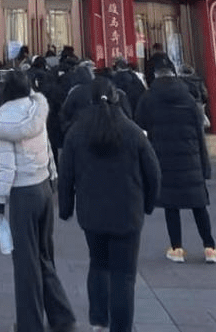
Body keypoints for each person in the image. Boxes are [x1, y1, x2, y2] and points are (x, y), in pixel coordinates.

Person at [59, 77, 161, 332]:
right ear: (117, 98)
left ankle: (98, 321)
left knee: (98, 264)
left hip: (91, 213)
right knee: (124, 276)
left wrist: (65, 208)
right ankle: (121, 327)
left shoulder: (76, 132)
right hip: (128, 212)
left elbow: (66, 175)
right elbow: (154, 173)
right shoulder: (133, 131)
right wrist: (148, 204)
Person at [0, 69, 77, 332]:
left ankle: (30, 324)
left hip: (22, 193)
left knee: (25, 263)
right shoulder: (37, 109)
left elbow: (7, 167)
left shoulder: (3, 118)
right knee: (44, 255)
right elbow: (47, 147)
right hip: (44, 187)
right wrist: (53, 175)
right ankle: (62, 317)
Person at [135, 65, 216, 264]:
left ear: (155, 77)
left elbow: (139, 121)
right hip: (190, 157)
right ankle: (210, 248)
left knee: (171, 205)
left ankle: (177, 248)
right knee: (199, 204)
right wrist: (205, 165)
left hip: (164, 156)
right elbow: (199, 131)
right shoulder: (188, 98)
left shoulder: (149, 97)